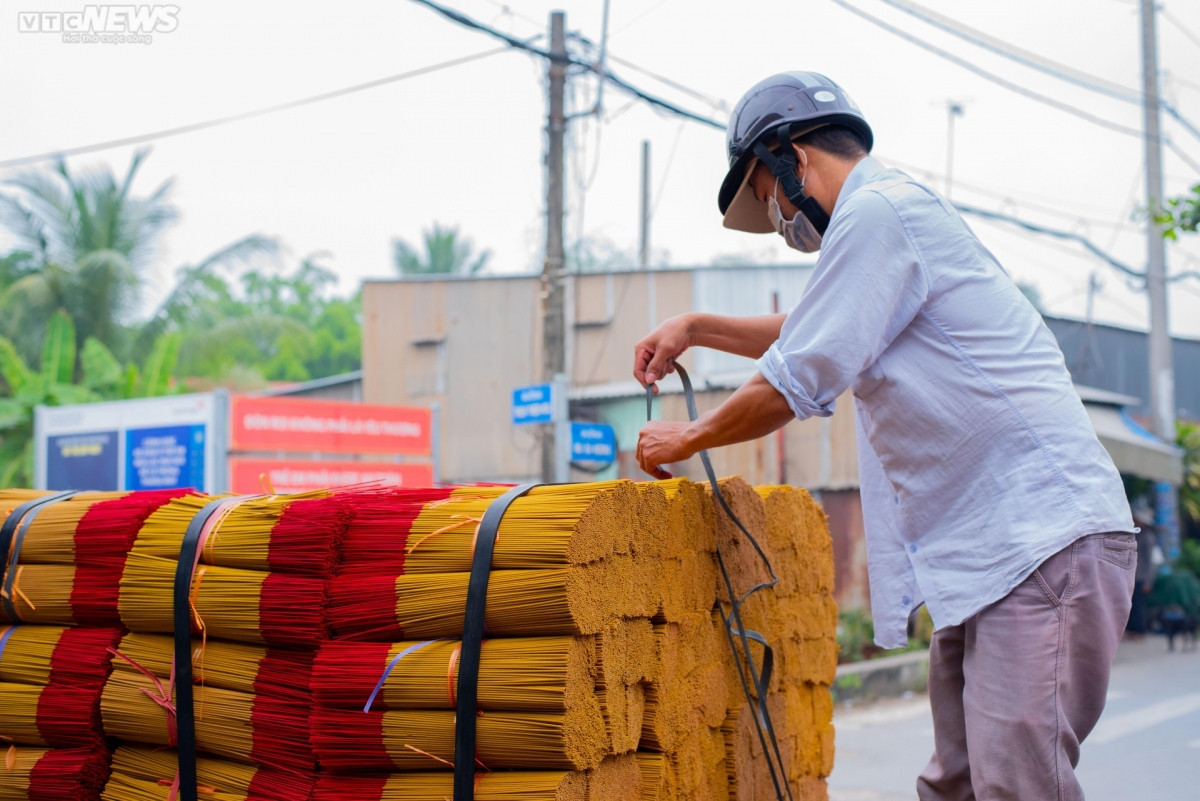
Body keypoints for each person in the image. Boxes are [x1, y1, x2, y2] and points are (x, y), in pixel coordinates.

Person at [633, 71, 1136, 801]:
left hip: (1041, 539)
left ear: (794, 159)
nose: (781, 224)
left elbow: (798, 371)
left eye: (770, 201)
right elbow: (815, 326)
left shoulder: (880, 212)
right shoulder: (880, 232)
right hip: (990, 558)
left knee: (1016, 786)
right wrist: (698, 327)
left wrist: (688, 437)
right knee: (956, 785)